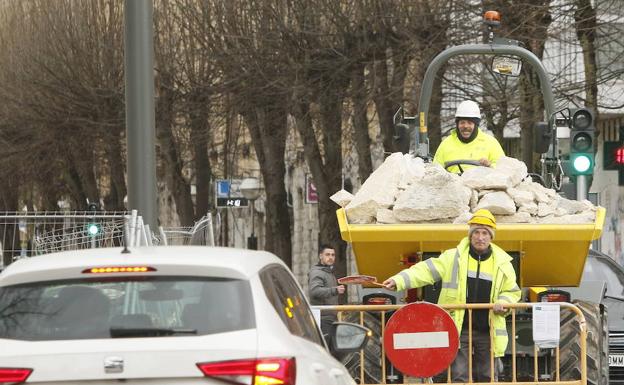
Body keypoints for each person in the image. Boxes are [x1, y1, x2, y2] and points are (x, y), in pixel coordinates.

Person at [382, 209, 521, 382]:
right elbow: (425, 270)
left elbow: (512, 291)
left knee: (487, 376)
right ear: (470, 235)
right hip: (458, 327)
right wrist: (399, 280)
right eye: (476, 232)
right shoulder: (453, 258)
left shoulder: (503, 264)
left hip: (487, 329)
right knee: (458, 375)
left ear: (491, 237)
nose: (480, 237)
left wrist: (503, 302)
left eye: (485, 233)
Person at [433, 100, 505, 173]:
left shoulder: (491, 143)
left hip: (481, 183)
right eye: (462, 122)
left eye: (469, 123)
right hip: (453, 183)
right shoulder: (446, 144)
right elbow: (435, 170)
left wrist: (490, 166)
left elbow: (503, 170)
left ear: (476, 125)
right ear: (457, 124)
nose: (465, 126)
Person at [308, 244, 345, 350]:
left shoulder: (328, 272)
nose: (330, 257)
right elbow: (314, 291)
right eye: (327, 254)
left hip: (329, 317)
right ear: (320, 256)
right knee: (326, 350)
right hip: (323, 318)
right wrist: (335, 290)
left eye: (333, 255)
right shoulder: (318, 273)